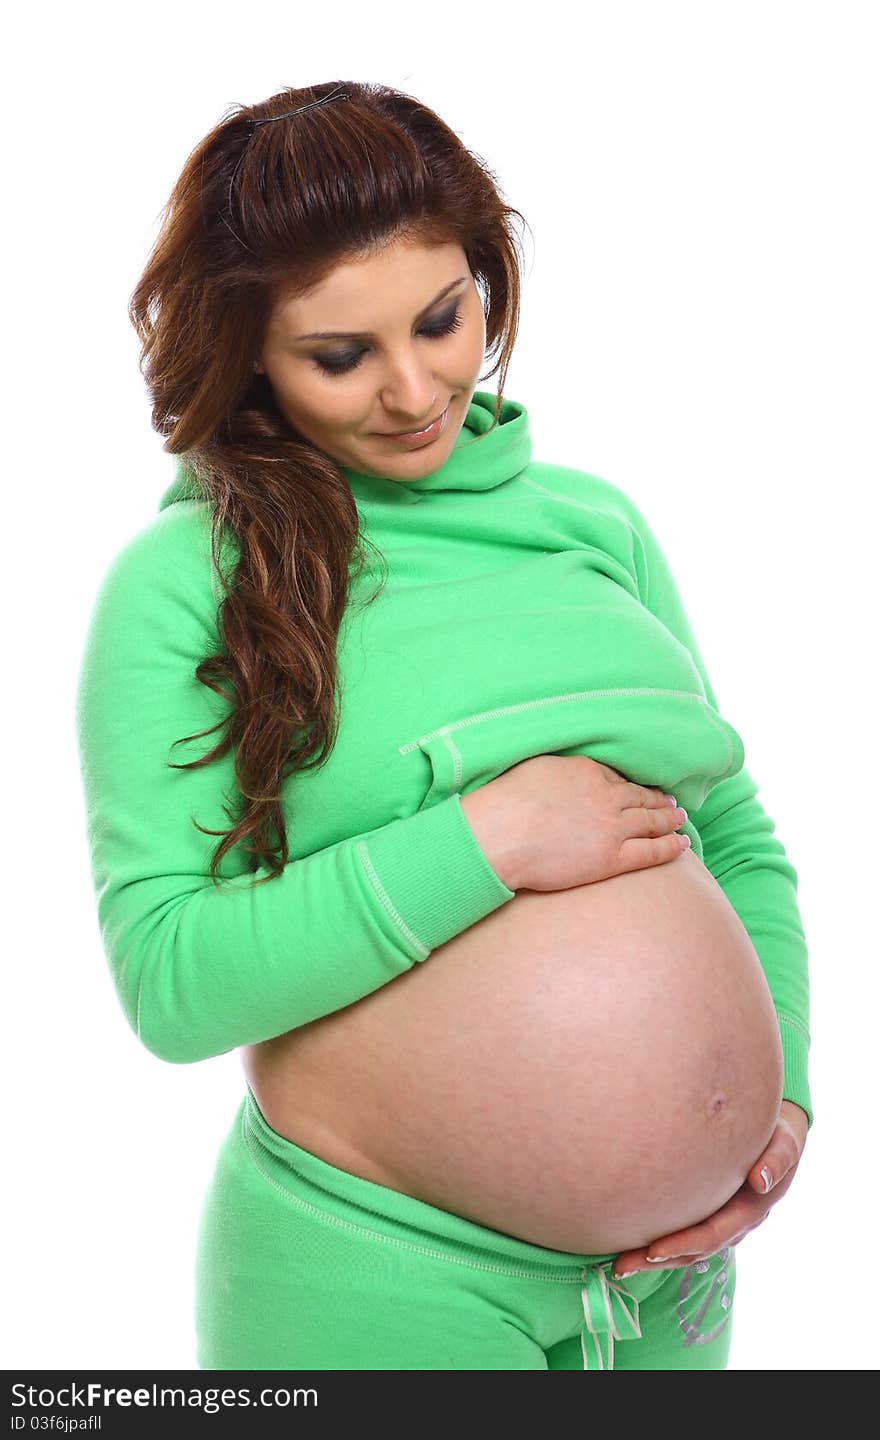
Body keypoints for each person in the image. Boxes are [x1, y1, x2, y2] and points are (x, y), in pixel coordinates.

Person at [74, 80, 812, 1371]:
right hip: (376, 1273)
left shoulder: (595, 524)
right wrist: (489, 839)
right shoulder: (189, 580)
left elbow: (737, 836)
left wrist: (778, 1100)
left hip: (674, 1281)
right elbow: (173, 978)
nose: (414, 389)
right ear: (248, 348)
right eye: (339, 355)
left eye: (443, 317)